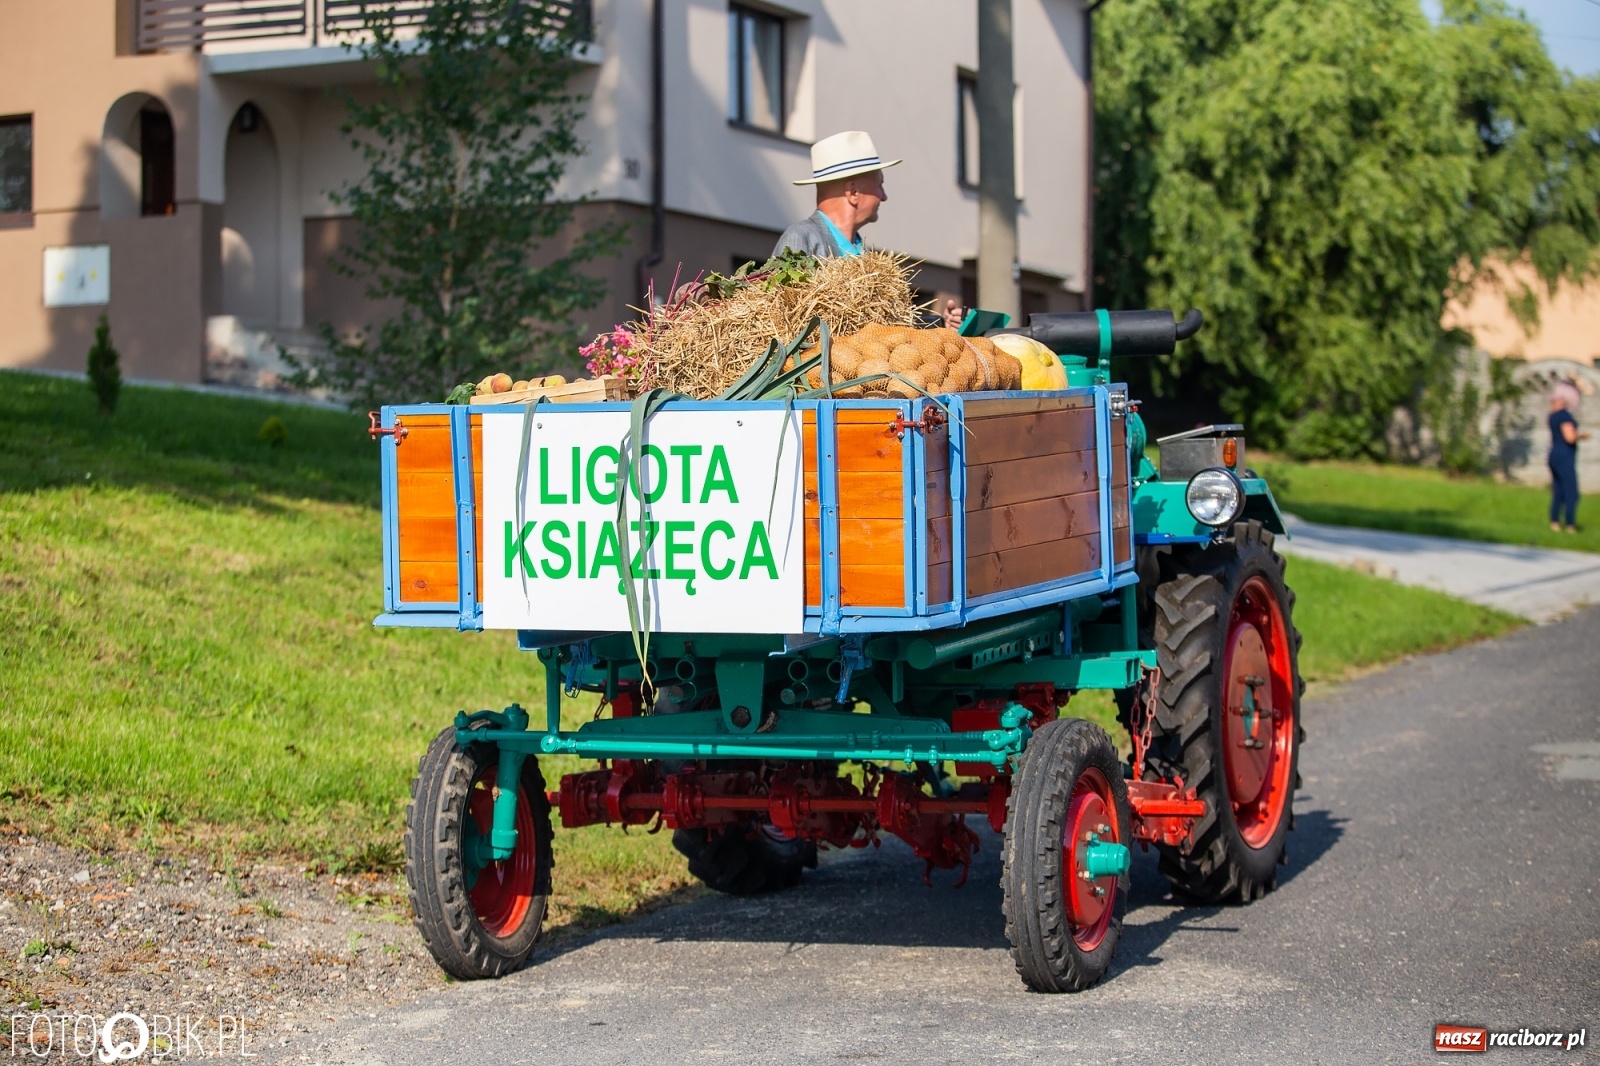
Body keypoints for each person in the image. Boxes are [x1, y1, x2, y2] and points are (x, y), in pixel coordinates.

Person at [774, 130, 964, 329]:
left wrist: (941, 323)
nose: (884, 196)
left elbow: (884, 328)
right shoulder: (801, 239)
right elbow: (786, 323)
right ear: (853, 192)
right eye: (879, 185)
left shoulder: (864, 255)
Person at [1548, 381, 1588, 533]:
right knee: (1571, 491)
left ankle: (1555, 521)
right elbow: (1570, 437)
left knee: (1558, 490)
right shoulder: (1565, 417)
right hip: (1564, 455)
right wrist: (1581, 436)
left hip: (1554, 453)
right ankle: (1570, 524)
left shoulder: (1553, 416)